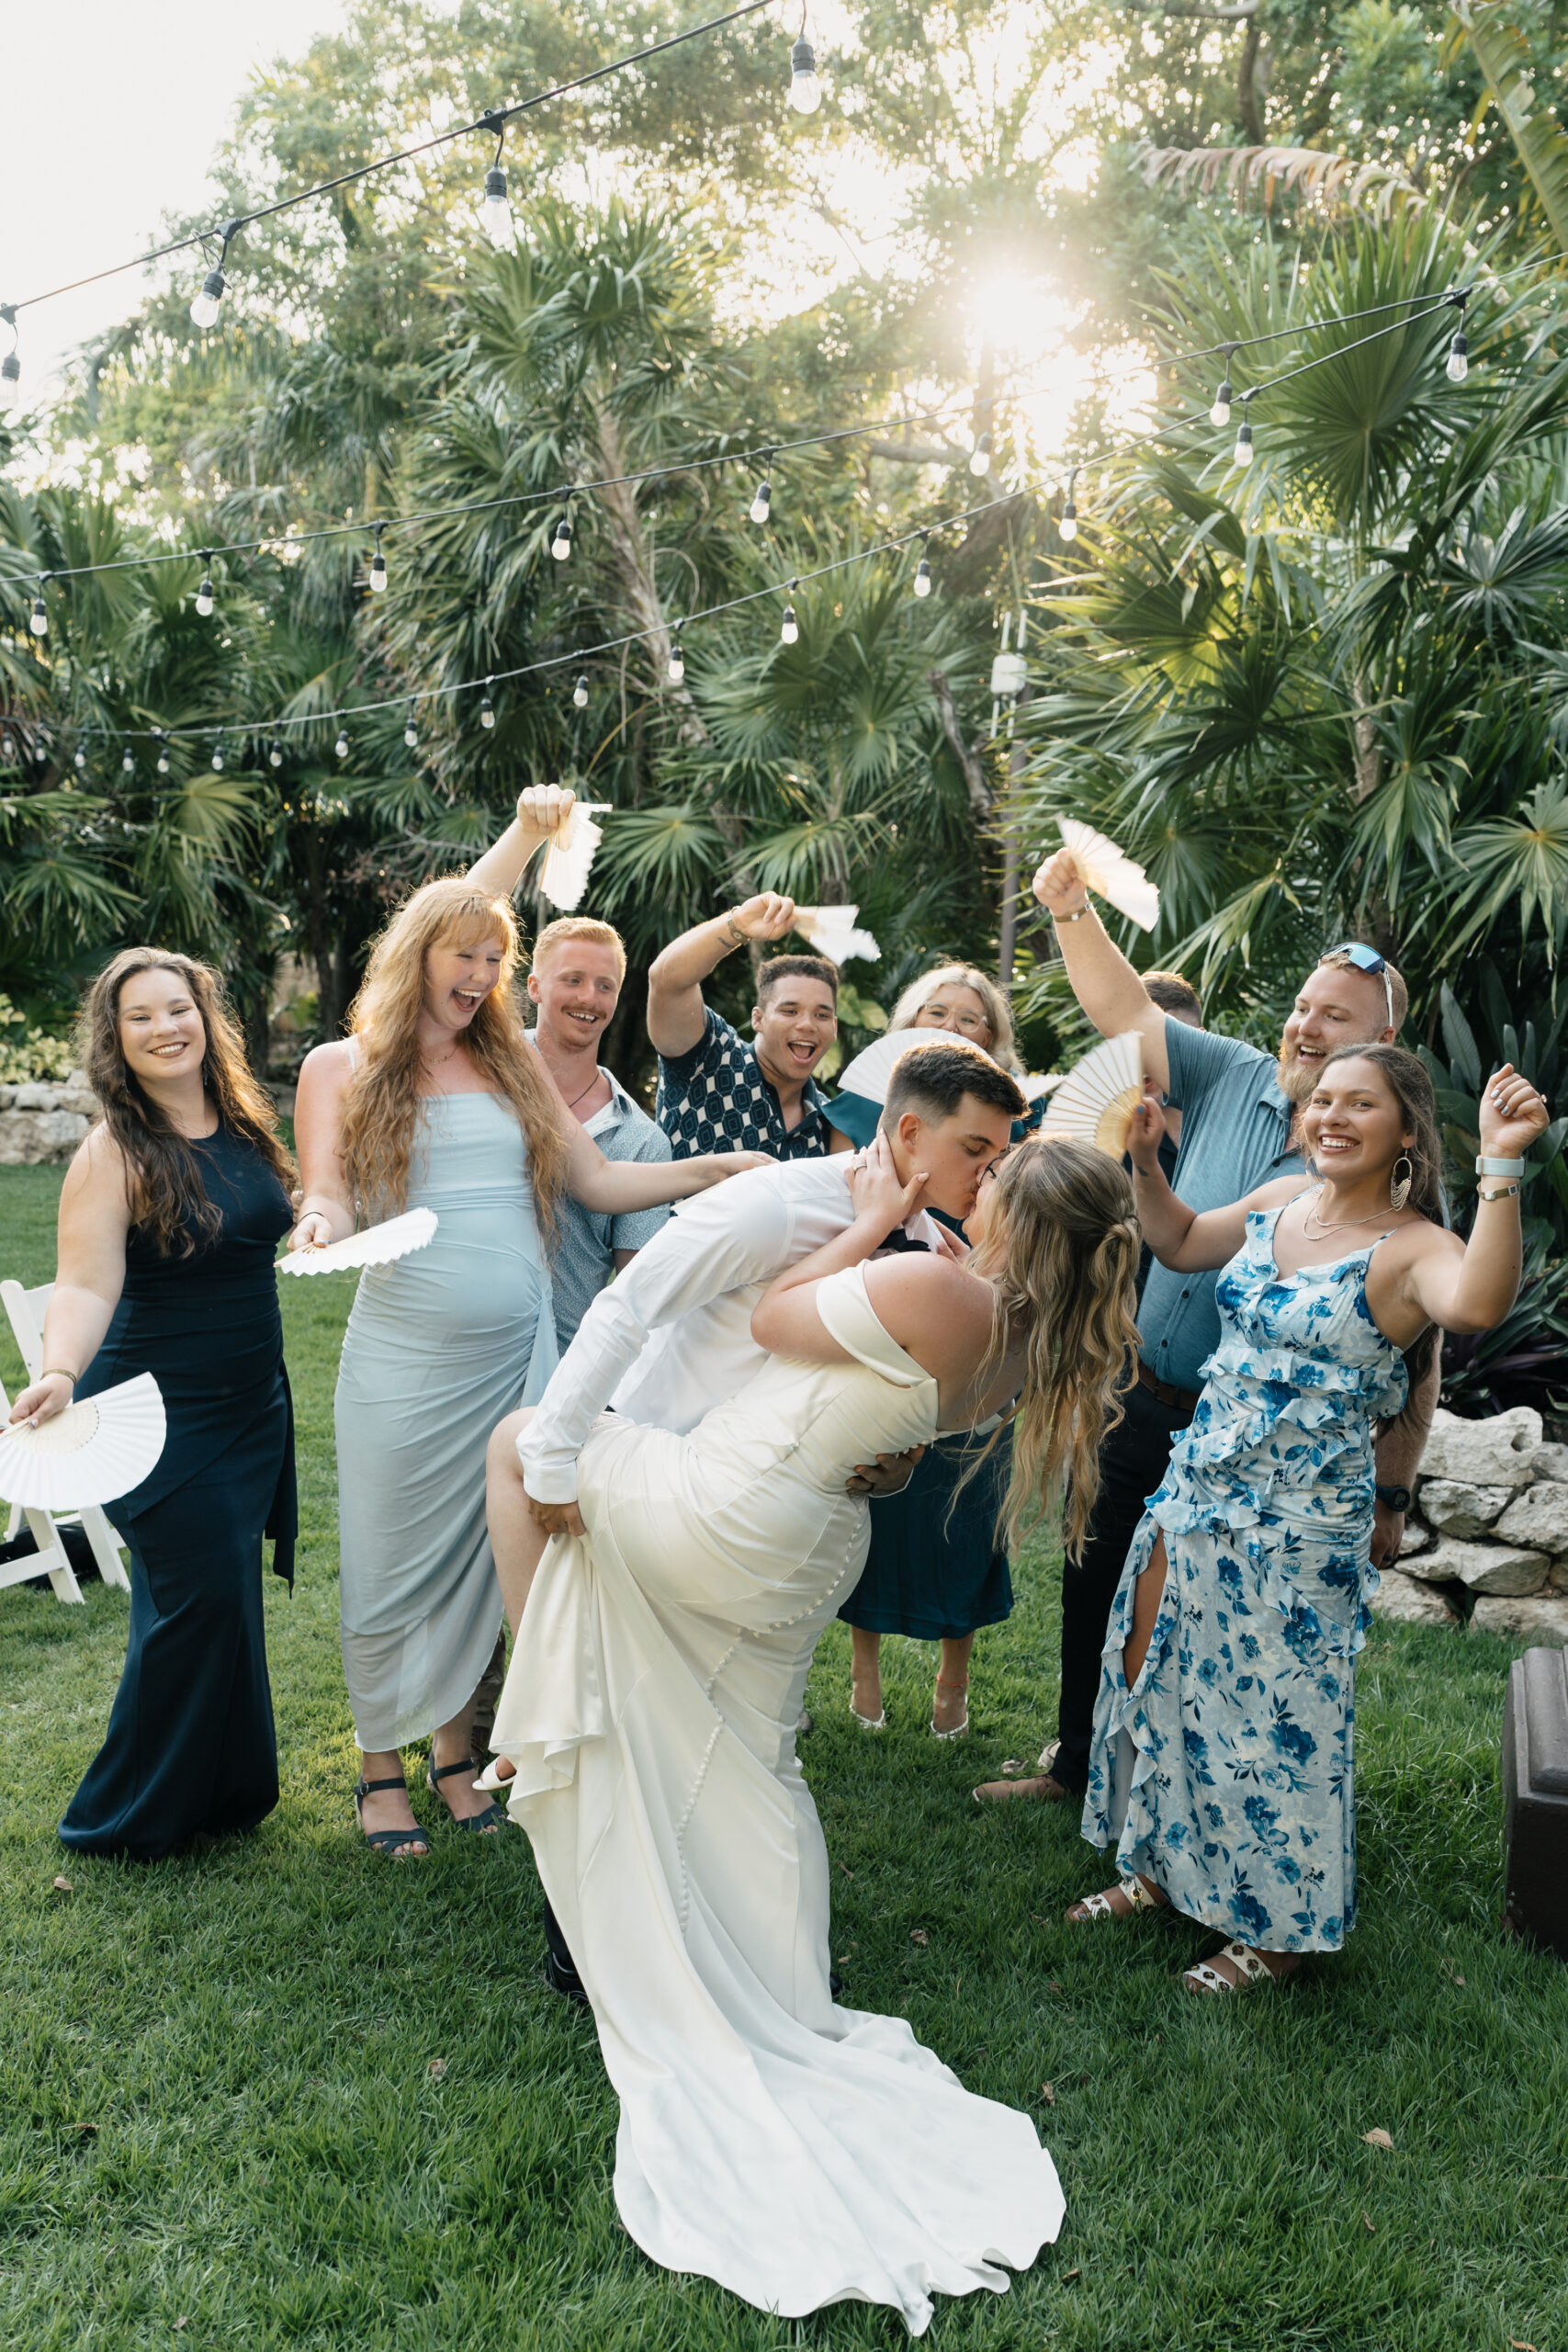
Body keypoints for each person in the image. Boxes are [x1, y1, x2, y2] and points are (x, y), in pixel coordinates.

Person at [486, 1125, 1142, 2327]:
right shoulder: (1023, 1339)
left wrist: (877, 1222)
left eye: (988, 1179)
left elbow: (774, 1317)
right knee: (754, 1760)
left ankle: (543, 1709)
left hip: (731, 1511)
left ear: (1012, 1219)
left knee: (520, 1448)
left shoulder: (935, 1280)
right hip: (810, 1543)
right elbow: (889, 1410)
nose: (970, 1184)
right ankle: (779, 1987)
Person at [290, 790, 767, 1860]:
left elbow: (598, 1179)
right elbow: (325, 1190)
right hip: (400, 1361)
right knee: (385, 1559)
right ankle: (380, 1767)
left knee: (479, 1556)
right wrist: (319, 1222)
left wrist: (720, 1168)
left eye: (491, 963)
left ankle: (456, 1755)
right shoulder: (346, 1066)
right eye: (461, 955)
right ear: (419, 952)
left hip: (514, 1358)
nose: (476, 975)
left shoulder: (509, 1067)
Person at [1071, 1044, 1547, 1992]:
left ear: (1404, 1130)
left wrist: (1501, 1162)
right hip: (1200, 1482)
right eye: (1322, 1098)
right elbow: (1176, 1239)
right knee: (1153, 1672)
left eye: (1359, 1103)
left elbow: (1480, 1300)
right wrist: (1149, 1164)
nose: (1330, 1114)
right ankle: (1161, 1870)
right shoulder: (1278, 1204)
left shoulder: (1412, 1246)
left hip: (1296, 1517)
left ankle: (1280, 1929)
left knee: (1270, 1719)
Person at [976, 854, 1438, 1807]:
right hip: (1143, 1394)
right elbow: (1125, 1012)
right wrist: (1069, 913)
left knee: (1212, 1618)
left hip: (1252, 1440)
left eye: (1335, 1017)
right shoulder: (1228, 1069)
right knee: (1097, 1572)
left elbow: (1418, 1353)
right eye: (1305, 1006)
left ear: (1383, 1041)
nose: (1306, 1026)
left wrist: (1395, 1488)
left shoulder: (1385, 1165)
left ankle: (1177, 1794)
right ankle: (1076, 1765)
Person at [8, 949, 297, 1860]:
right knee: (196, 1600)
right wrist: (58, 1369)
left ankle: (229, 1789)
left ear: (206, 1019)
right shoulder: (115, 1150)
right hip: (156, 1412)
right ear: (117, 1038)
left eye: (180, 1009)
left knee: (225, 1595)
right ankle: (124, 1816)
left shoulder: (245, 1119)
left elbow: (269, 1215)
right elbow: (88, 1287)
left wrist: (318, 1214)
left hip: (252, 1399)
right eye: (142, 1017)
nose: (167, 1028)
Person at [820, 960, 1028, 1735]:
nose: (952, 1020)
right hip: (880, 1304)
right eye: (936, 1008)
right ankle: (863, 1669)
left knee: (966, 1502)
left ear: (992, 1035)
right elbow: (845, 1195)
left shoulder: (1013, 1120)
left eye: (970, 1015)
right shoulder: (867, 1103)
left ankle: (953, 1678)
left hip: (979, 1310)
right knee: (876, 1499)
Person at [525, 914, 673, 1351]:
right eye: (573, 979)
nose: (589, 997)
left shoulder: (643, 1142)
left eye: (605, 985)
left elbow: (636, 1292)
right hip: (455, 1346)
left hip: (559, 1366)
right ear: (535, 987)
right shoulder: (479, 1075)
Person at [648, 891, 838, 1159]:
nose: (807, 1024)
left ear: (835, 1027)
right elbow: (666, 980)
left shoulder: (832, 1125)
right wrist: (738, 926)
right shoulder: (711, 1056)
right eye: (790, 1010)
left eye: (822, 1015)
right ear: (758, 1018)